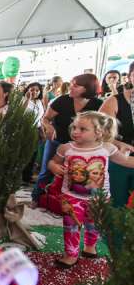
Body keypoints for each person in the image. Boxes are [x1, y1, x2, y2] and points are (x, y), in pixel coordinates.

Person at [47, 111, 134, 268]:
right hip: (71, 197)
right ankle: (71, 254)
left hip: (99, 197)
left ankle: (90, 247)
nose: (75, 131)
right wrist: (54, 167)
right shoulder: (66, 148)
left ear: (98, 132)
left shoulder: (107, 148)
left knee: (94, 224)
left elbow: (126, 161)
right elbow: (52, 162)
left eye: (82, 129)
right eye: (74, 127)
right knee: (71, 225)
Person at [31, 74, 103, 207]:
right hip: (57, 142)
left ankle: (74, 204)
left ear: (87, 88)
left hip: (82, 147)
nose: (71, 87)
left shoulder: (98, 104)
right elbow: (45, 118)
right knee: (46, 171)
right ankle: (36, 197)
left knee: (79, 175)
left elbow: (103, 126)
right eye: (71, 83)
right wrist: (49, 126)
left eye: (75, 85)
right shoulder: (62, 100)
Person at [99, 63, 134, 206]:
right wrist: (118, 143)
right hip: (120, 160)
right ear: (130, 77)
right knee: (118, 205)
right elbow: (99, 131)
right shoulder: (115, 101)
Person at [22, 82, 45, 183]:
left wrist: (42, 131)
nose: (34, 92)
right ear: (27, 90)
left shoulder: (39, 102)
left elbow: (39, 119)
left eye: (37, 90)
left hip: (36, 130)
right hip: (25, 130)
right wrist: (27, 99)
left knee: (34, 154)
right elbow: (20, 112)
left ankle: (28, 176)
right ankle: (23, 176)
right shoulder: (23, 100)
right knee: (26, 154)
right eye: (32, 89)